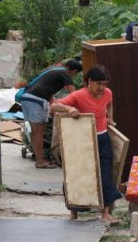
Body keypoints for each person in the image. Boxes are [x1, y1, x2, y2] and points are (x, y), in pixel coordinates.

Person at [51, 65, 121, 224]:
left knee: (105, 174)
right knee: (77, 174)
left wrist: (109, 117)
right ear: (89, 81)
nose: (102, 88)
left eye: (105, 84)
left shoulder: (108, 93)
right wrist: (69, 109)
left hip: (102, 139)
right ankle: (74, 214)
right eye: (99, 84)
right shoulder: (78, 95)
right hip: (82, 141)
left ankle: (105, 214)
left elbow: (109, 103)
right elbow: (54, 105)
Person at [20, 59, 82, 169]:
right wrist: (80, 109)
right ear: (74, 71)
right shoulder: (65, 73)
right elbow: (74, 94)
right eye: (75, 74)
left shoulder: (53, 69)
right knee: (39, 132)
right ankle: (40, 161)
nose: (73, 76)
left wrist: (51, 108)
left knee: (35, 132)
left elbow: (49, 91)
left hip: (26, 98)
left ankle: (39, 158)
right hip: (37, 100)